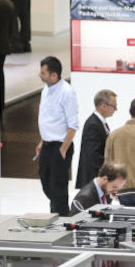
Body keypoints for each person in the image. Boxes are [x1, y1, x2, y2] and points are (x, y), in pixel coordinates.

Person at [35, 56, 79, 217]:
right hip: (47, 145)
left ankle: (61, 218)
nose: (40, 75)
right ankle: (56, 213)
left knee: (58, 187)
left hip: (60, 146)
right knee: (45, 181)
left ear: (54, 75)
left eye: (43, 72)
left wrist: (63, 149)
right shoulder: (45, 90)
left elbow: (73, 125)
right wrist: (42, 141)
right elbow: (47, 118)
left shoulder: (67, 92)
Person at [76, 89, 117, 188]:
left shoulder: (99, 122)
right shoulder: (93, 124)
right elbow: (93, 155)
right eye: (114, 106)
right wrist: (111, 169)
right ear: (103, 106)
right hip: (94, 180)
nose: (116, 109)